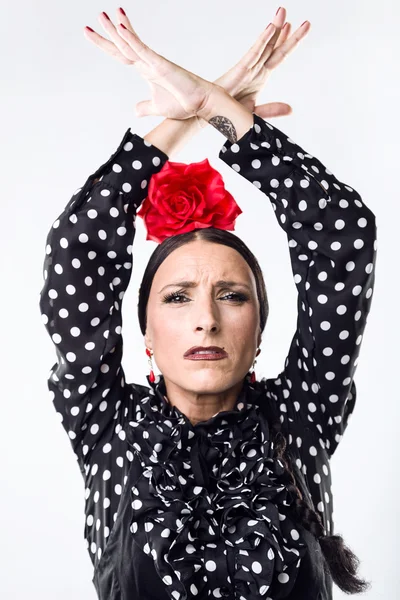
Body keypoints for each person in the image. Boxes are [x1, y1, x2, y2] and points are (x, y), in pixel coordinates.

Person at [38, 6, 377, 600]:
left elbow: (343, 235)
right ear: (144, 331)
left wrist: (225, 115)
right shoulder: (108, 426)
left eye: (232, 295)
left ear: (260, 327)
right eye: (177, 297)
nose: (206, 318)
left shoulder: (301, 417)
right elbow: (77, 249)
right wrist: (184, 119)